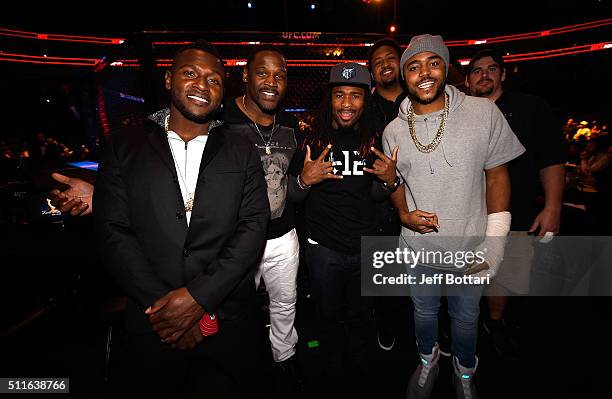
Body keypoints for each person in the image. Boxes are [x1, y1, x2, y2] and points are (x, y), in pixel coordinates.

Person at [93, 40, 270, 397]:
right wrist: (166, 308)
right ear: (168, 78)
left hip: (229, 314)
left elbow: (253, 225)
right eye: (191, 73)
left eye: (214, 80)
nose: (203, 86)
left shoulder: (241, 149)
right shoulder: (124, 145)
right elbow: (112, 231)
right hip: (152, 317)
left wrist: (197, 298)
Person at [383, 34, 525, 398]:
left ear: (446, 67)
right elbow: (395, 183)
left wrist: (495, 242)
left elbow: (497, 175)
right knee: (424, 315)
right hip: (419, 250)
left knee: (465, 320)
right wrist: (402, 214)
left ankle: (464, 371)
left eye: (433, 62)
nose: (424, 73)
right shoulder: (393, 129)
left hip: (470, 247)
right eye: (413, 67)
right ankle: (428, 359)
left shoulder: (482, 112)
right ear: (404, 76)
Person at [289, 62, 399, 395]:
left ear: (366, 99)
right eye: (340, 95)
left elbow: (380, 196)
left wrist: (390, 180)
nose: (347, 103)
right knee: (327, 319)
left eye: (355, 95)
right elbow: (293, 193)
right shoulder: (311, 136)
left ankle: (359, 374)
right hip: (324, 250)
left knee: (361, 319)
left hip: (366, 248)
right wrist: (304, 180)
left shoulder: (378, 136)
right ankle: (331, 374)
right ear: (330, 98)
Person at [465, 48, 566, 356]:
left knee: (506, 276)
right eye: (478, 70)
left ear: (503, 74)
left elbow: (551, 159)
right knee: (466, 278)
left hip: (516, 214)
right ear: (467, 80)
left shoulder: (530, 107)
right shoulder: (458, 114)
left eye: (492, 69)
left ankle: (494, 323)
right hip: (468, 217)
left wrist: (553, 208)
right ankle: (466, 327)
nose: (485, 74)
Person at [223, 44, 302, 386]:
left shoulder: (291, 126)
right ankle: (241, 365)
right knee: (235, 311)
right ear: (245, 76)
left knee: (285, 303)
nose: (271, 81)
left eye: (279, 75)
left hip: (283, 237)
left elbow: (294, 185)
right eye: (262, 73)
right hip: (237, 238)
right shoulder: (221, 121)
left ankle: (284, 356)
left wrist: (305, 181)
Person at [368, 37, 409, 352]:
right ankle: (385, 325)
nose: (385, 64)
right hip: (380, 205)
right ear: (371, 71)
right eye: (378, 61)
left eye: (390, 58)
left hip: (425, 197)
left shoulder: (421, 98)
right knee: (385, 274)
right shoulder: (366, 109)